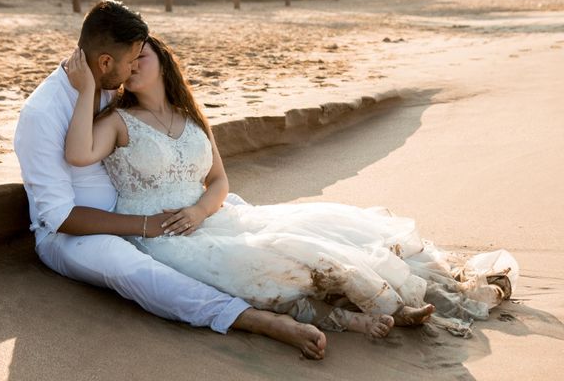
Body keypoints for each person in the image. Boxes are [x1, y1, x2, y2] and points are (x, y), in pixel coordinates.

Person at [65, 29, 518, 340]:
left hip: (215, 218)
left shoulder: (189, 119)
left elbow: (219, 179)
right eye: (128, 61)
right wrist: (87, 89)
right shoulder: (119, 121)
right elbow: (78, 154)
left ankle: (404, 304)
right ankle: (375, 313)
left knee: (314, 240)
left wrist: (203, 210)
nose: (133, 65)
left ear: (163, 59)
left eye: (142, 55)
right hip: (166, 237)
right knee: (280, 263)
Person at [14, 0, 328, 360]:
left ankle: (305, 284)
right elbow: (60, 218)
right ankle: (250, 318)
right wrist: (144, 225)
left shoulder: (108, 83)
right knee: (128, 266)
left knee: (237, 215)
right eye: (131, 60)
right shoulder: (42, 114)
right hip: (74, 235)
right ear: (105, 62)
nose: (134, 70)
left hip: (134, 208)